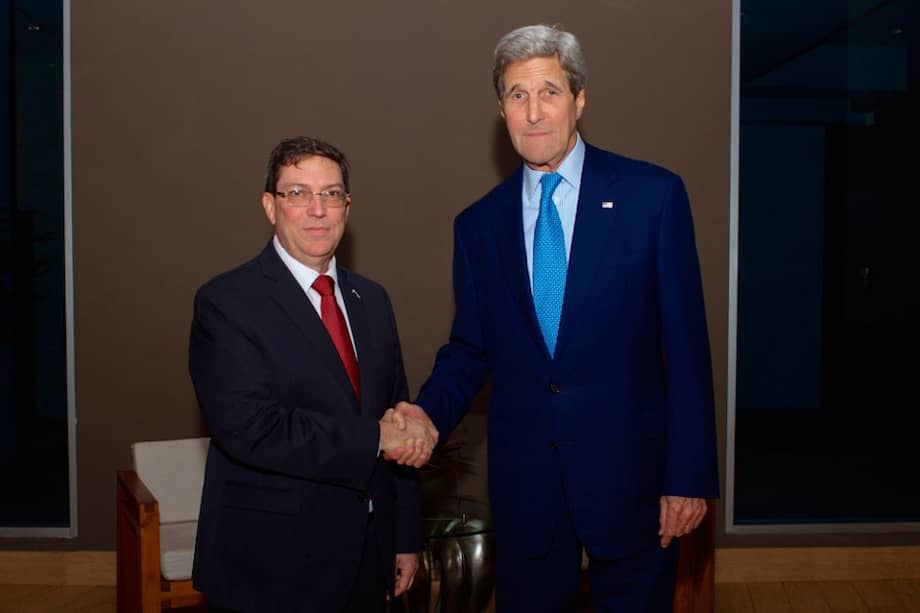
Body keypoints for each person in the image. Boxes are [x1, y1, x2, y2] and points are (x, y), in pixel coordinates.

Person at [392, 24, 719, 611]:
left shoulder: (653, 197)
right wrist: (424, 412)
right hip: (528, 492)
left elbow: (686, 350)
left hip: (634, 484)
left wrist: (688, 476)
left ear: (580, 99)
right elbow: (470, 349)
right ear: (501, 109)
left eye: (549, 92)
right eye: (518, 95)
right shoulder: (478, 226)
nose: (534, 112)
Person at [188, 136, 434, 612]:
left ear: (347, 206)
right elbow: (251, 429)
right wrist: (374, 439)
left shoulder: (373, 301)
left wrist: (403, 537)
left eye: (331, 194)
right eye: (298, 193)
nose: (317, 210)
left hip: (366, 559)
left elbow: (395, 413)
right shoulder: (226, 303)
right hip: (270, 566)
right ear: (269, 206)